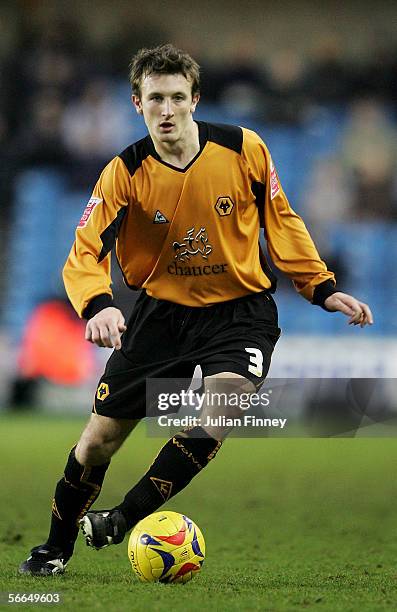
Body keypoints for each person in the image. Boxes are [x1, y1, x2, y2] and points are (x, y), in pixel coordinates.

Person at [19, 44, 373, 576]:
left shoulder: (244, 149)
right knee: (97, 444)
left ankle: (123, 518)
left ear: (195, 99)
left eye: (177, 98)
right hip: (160, 316)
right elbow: (84, 248)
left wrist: (318, 286)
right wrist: (98, 304)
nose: (166, 110)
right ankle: (54, 548)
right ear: (137, 103)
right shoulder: (126, 172)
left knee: (223, 405)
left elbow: (282, 220)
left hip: (240, 312)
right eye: (155, 98)